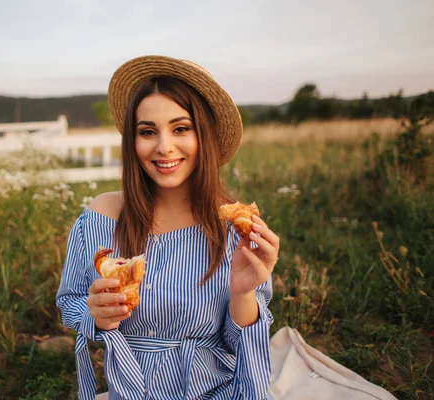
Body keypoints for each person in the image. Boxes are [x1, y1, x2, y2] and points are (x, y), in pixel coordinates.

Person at [56, 55, 280, 400]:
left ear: (202, 136)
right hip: (132, 389)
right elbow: (70, 300)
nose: (163, 147)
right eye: (148, 131)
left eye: (181, 128)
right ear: (132, 141)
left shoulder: (235, 228)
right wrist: (97, 316)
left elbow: (241, 345)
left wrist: (244, 292)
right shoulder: (103, 215)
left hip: (215, 389)